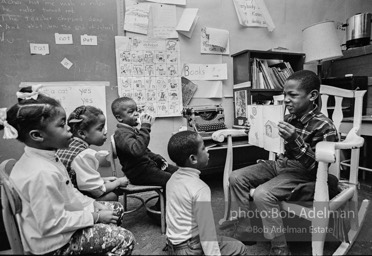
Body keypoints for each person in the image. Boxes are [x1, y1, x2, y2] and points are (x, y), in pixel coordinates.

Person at [0, 86, 135, 255]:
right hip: (53, 244)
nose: (69, 128)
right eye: (62, 125)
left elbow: (70, 193)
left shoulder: (47, 157)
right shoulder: (41, 173)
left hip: (59, 223)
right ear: (37, 135)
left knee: (115, 209)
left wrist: (92, 204)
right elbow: (52, 224)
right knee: (125, 239)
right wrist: (95, 217)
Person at [228, 70, 338, 255]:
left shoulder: (324, 126)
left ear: (312, 96)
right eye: (285, 94)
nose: (286, 99)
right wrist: (254, 128)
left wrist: (295, 140)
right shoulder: (287, 118)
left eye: (292, 95)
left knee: (263, 194)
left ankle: (280, 248)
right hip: (281, 164)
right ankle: (245, 229)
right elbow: (272, 140)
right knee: (236, 177)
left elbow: (318, 168)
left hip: (304, 171)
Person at [165, 130, 248, 256]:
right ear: (193, 158)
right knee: (240, 248)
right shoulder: (200, 189)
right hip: (191, 248)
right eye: (203, 148)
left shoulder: (172, 179)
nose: (207, 150)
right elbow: (207, 233)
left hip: (173, 246)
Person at [111, 97, 178, 210]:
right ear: (119, 118)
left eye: (136, 110)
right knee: (172, 181)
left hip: (147, 167)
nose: (137, 114)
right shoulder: (121, 133)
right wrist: (145, 128)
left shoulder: (132, 130)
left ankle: (173, 205)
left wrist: (158, 158)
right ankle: (161, 210)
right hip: (138, 173)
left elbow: (145, 151)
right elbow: (137, 150)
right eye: (131, 112)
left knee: (179, 173)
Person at [57, 105, 129, 202]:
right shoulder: (84, 155)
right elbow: (97, 190)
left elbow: (78, 178)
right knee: (112, 196)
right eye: (100, 128)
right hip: (70, 201)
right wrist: (118, 182)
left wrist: (103, 179)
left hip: (62, 194)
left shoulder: (66, 145)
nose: (105, 132)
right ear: (82, 133)